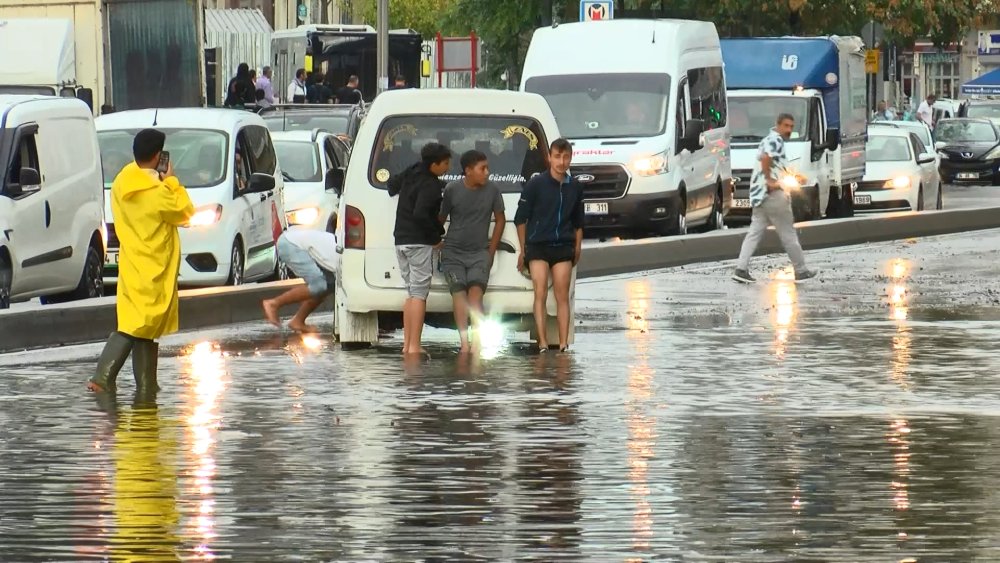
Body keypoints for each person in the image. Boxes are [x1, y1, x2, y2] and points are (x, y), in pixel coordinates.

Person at [87, 129, 195, 397]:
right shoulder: (158, 191)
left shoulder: (124, 180)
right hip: (154, 264)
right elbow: (185, 212)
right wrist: (171, 181)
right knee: (138, 324)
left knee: (145, 324)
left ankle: (147, 385)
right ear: (159, 156)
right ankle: (103, 376)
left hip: (132, 260)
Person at [514, 138, 584, 353]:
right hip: (538, 246)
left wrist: (577, 247)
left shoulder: (575, 187)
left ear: (571, 158)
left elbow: (579, 221)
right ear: (549, 157)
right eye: (557, 157)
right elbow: (520, 218)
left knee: (562, 295)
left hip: (563, 246)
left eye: (566, 157)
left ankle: (563, 343)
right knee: (540, 292)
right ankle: (542, 341)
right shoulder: (536, 184)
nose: (561, 162)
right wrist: (523, 249)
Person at [732, 113, 818, 284]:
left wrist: (796, 176)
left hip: (759, 195)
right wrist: (770, 181)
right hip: (774, 195)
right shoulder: (775, 140)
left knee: (754, 232)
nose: (789, 130)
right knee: (788, 233)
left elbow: (776, 165)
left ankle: (741, 269)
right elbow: (766, 159)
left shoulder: (768, 140)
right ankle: (801, 271)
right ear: (777, 125)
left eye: (791, 127)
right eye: (786, 126)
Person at [439, 150, 506, 353]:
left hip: (479, 253)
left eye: (487, 168)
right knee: (458, 293)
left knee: (476, 295)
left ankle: (477, 342)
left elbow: (500, 219)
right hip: (453, 252)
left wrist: (491, 251)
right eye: (482, 168)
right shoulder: (452, 190)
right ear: (468, 171)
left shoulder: (493, 190)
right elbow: (441, 219)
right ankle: (464, 344)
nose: (487, 172)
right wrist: (433, 240)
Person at [388, 142, 451, 356]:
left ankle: (407, 344)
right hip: (418, 242)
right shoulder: (430, 185)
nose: (448, 167)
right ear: (434, 164)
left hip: (401, 240)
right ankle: (414, 346)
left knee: (411, 292)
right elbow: (421, 214)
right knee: (419, 294)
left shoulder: (412, 173)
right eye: (445, 163)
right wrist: (435, 238)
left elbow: (391, 186)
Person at [262, 230, 340, 333]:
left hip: (295, 240)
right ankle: (274, 303)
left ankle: (297, 321)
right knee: (319, 285)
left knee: (329, 286)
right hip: (291, 244)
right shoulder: (342, 260)